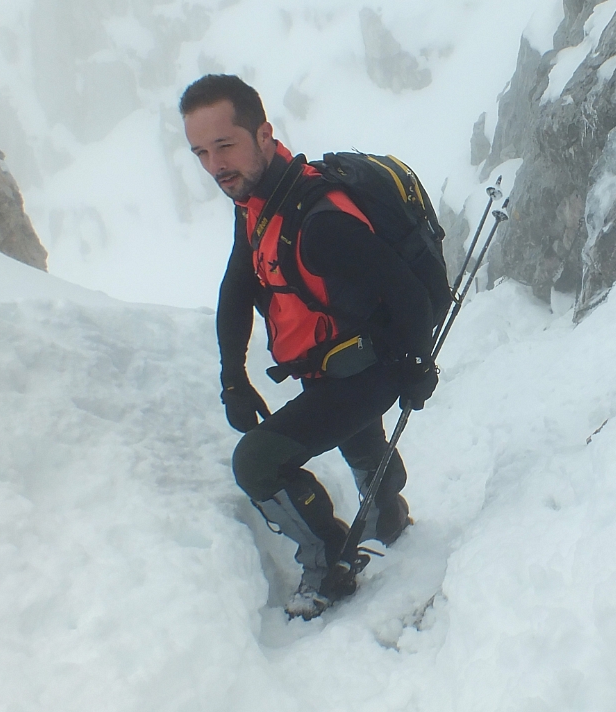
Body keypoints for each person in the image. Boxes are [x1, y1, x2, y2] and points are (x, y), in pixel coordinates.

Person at [180, 74, 439, 618]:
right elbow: (238, 285)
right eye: (201, 151)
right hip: (330, 364)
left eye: (224, 145)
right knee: (356, 440)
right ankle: (385, 508)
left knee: (257, 463)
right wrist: (233, 376)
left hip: (370, 367)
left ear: (264, 133)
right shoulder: (255, 200)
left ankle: (329, 558)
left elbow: (407, 296)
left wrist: (416, 368)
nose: (215, 165)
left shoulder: (320, 223)